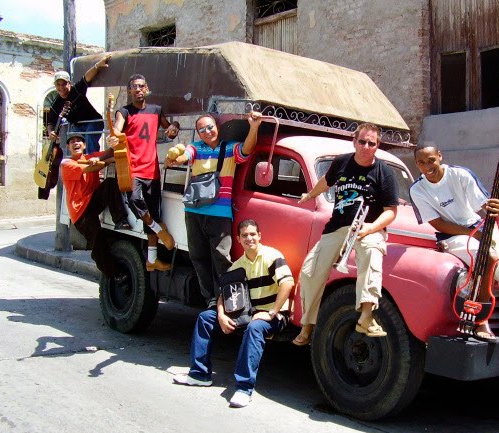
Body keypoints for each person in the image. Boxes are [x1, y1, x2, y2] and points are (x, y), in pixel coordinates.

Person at [410, 144, 499, 343]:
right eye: (421, 163)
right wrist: (473, 234)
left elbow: (484, 204)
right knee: (488, 257)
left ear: (440, 156)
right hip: (451, 236)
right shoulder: (418, 189)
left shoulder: (460, 174)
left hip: (478, 228)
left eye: (431, 160)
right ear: (417, 164)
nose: (427, 166)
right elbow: (438, 224)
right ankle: (481, 320)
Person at [292, 123, 399, 346]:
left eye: (371, 143)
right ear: (354, 141)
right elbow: (327, 181)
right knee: (310, 271)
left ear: (377, 145)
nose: (366, 147)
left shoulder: (384, 172)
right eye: (362, 141)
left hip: (367, 227)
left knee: (371, 252)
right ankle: (308, 323)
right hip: (337, 227)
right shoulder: (341, 162)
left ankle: (366, 316)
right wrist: (310, 195)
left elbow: (391, 211)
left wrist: (371, 228)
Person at [173, 219, 294, 408]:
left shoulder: (272, 256)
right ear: (238, 239)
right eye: (244, 235)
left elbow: (287, 283)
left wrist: (272, 312)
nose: (249, 238)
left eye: (252, 234)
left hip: (274, 316)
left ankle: (244, 389)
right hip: (247, 314)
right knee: (205, 318)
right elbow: (223, 294)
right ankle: (199, 374)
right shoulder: (237, 265)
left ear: (259, 236)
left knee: (254, 328)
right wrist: (221, 315)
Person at [164, 112, 262, 305]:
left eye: (210, 127)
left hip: (220, 213)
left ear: (217, 127)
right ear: (198, 133)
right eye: (202, 130)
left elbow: (247, 149)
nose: (207, 132)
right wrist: (174, 159)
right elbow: (185, 155)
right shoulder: (196, 147)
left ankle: (226, 300)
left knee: (221, 258)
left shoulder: (229, 148)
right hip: (194, 211)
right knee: (198, 257)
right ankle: (210, 299)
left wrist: (254, 127)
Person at [108, 74, 180, 272]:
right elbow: (117, 130)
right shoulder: (124, 112)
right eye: (134, 87)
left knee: (153, 211)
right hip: (132, 168)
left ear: (146, 88)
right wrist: (114, 137)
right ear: (129, 91)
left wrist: (174, 128)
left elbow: (170, 128)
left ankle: (152, 260)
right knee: (135, 201)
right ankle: (159, 230)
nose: (138, 89)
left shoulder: (156, 110)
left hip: (152, 169)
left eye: (141, 86)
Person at [60, 132, 131, 282]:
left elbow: (109, 152)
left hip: (91, 201)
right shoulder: (66, 163)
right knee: (98, 242)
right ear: (68, 147)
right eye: (72, 142)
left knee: (110, 183)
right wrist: (105, 161)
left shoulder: (91, 157)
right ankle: (115, 274)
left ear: (84, 145)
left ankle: (121, 220)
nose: (76, 143)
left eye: (79, 141)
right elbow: (89, 169)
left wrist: (115, 143)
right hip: (80, 212)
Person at [48, 53, 111, 153]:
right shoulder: (56, 103)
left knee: (89, 138)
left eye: (64, 84)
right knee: (71, 142)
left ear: (69, 83)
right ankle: (74, 162)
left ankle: (92, 160)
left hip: (94, 121)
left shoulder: (76, 90)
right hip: (78, 126)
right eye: (58, 84)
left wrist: (97, 65)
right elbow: (51, 122)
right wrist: (50, 132)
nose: (61, 87)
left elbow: (86, 77)